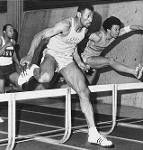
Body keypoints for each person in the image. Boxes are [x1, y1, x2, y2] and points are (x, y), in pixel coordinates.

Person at [18, 4, 113, 148]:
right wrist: (30, 54)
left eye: (92, 17)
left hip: (66, 59)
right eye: (88, 16)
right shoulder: (65, 25)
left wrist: (80, 63)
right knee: (45, 78)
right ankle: (33, 70)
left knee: (84, 91)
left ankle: (93, 133)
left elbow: (74, 44)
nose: (90, 20)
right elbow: (41, 35)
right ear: (79, 15)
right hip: (52, 54)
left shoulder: (84, 29)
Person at [81, 16, 143, 84]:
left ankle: (135, 73)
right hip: (86, 59)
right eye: (116, 29)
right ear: (108, 30)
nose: (118, 32)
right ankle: (135, 72)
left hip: (94, 62)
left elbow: (130, 28)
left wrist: (142, 28)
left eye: (119, 29)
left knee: (87, 89)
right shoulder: (98, 36)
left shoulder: (114, 36)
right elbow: (82, 34)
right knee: (110, 60)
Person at [0, 24, 22, 122]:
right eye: (9, 30)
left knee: (21, 84)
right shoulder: (1, 40)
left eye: (12, 30)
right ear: (4, 31)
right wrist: (5, 45)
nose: (12, 32)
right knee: (0, 93)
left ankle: (9, 89)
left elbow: (14, 56)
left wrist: (19, 64)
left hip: (10, 68)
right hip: (0, 69)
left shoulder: (13, 42)